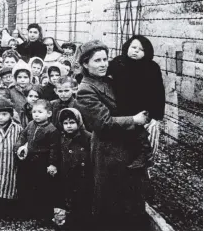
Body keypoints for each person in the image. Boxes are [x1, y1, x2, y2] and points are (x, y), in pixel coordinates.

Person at [75, 40, 152, 230]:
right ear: (85, 64)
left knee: (131, 197)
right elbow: (103, 123)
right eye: (97, 60)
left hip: (128, 146)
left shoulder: (109, 79)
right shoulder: (86, 90)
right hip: (109, 151)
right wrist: (134, 120)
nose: (103, 64)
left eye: (105, 59)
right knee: (111, 200)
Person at [108, 35, 165, 168]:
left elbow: (158, 92)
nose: (136, 51)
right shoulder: (118, 63)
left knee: (141, 136)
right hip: (120, 106)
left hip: (142, 108)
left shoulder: (152, 67)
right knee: (122, 137)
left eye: (141, 49)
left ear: (147, 52)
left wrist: (156, 115)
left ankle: (143, 156)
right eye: (133, 47)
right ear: (127, 47)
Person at [14, 99, 60, 222]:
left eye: (40, 112)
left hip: (42, 163)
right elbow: (22, 136)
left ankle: (42, 215)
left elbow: (54, 149)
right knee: (25, 186)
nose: (36, 114)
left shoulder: (52, 130)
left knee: (42, 188)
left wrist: (52, 164)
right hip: (28, 161)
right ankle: (26, 211)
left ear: (49, 114)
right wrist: (19, 147)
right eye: (34, 112)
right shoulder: (30, 124)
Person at [54, 108, 93, 230]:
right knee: (67, 201)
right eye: (65, 123)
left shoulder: (87, 137)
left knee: (83, 202)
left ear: (79, 122)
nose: (69, 126)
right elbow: (56, 154)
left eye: (72, 122)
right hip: (67, 175)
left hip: (84, 176)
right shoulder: (61, 138)